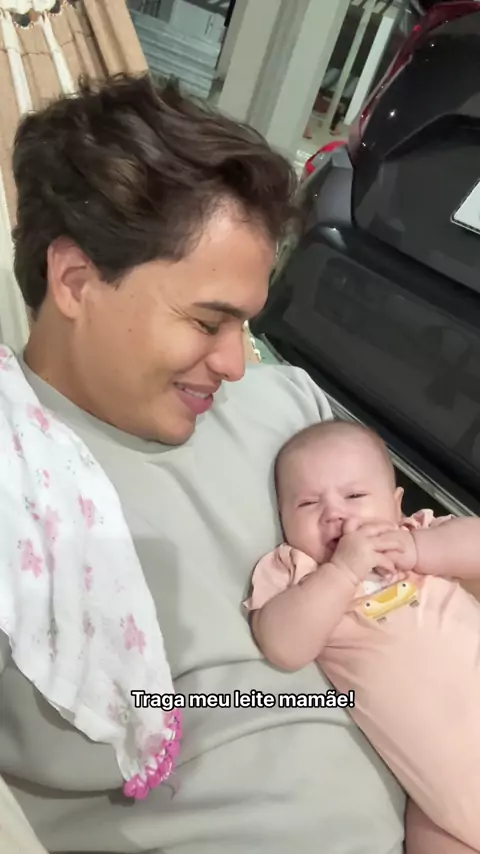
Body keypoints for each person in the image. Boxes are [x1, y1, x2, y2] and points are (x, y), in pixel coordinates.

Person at [0, 71, 415, 854]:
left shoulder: (288, 410)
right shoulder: (19, 487)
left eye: (245, 325)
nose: (234, 362)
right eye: (206, 321)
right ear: (76, 281)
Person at [246, 419, 480, 853]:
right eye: (308, 503)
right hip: (442, 802)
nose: (335, 513)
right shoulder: (300, 576)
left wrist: (421, 550)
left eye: (354, 496)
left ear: (396, 505)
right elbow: (283, 646)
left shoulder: (418, 536)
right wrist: (341, 571)